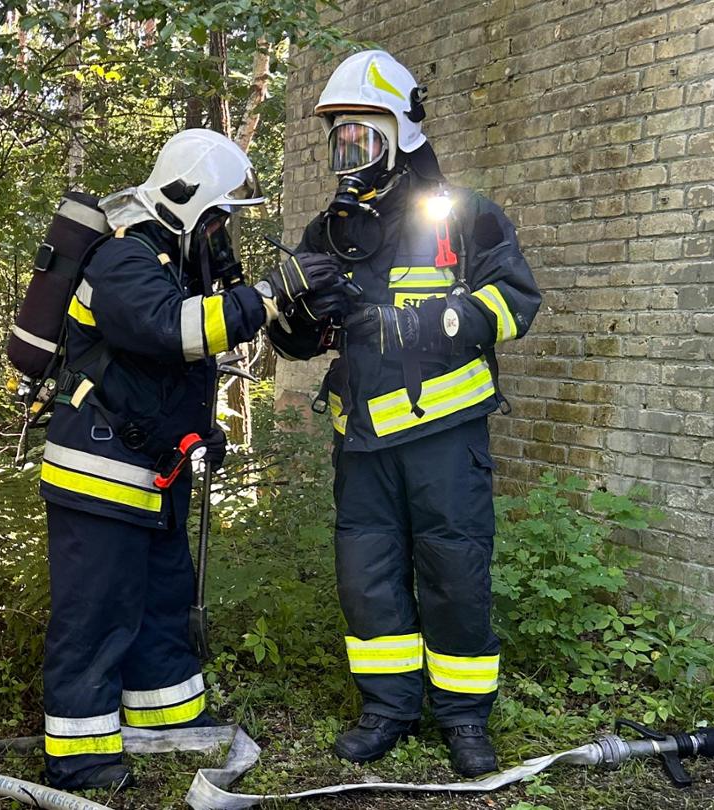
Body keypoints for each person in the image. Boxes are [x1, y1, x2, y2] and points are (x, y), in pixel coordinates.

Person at [265, 50, 542, 777]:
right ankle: (387, 708)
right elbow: (300, 338)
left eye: (364, 138)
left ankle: (462, 717)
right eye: (341, 141)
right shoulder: (331, 229)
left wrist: (418, 325)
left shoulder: (466, 215)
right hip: (360, 441)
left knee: (456, 573)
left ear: (402, 135)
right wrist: (292, 311)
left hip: (444, 439)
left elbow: (515, 303)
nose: (349, 155)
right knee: (368, 577)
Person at [36, 129, 309, 791]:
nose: (222, 235)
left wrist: (197, 432)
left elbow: (163, 373)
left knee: (161, 605)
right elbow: (174, 331)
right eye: (217, 219)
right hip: (98, 475)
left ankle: (166, 722)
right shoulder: (123, 260)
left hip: (151, 478)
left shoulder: (171, 268)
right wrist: (269, 292)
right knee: (96, 615)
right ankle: (80, 756)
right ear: (188, 204)